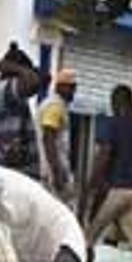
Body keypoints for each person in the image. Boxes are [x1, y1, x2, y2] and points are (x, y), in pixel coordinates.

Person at [85, 85, 132, 252]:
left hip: (118, 190)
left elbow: (104, 154)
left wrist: (92, 183)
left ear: (116, 103)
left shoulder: (114, 124)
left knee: (89, 238)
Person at [0, 43, 43, 180]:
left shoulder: (6, 94)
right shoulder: (4, 89)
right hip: (12, 175)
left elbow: (37, 82)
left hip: (11, 173)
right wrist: (15, 67)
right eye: (27, 72)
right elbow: (33, 82)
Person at [39, 69, 78, 199]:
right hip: (53, 172)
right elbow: (48, 138)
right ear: (59, 87)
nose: (73, 92)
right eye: (70, 87)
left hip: (54, 170)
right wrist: (57, 173)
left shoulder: (58, 105)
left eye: (74, 87)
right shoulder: (54, 106)